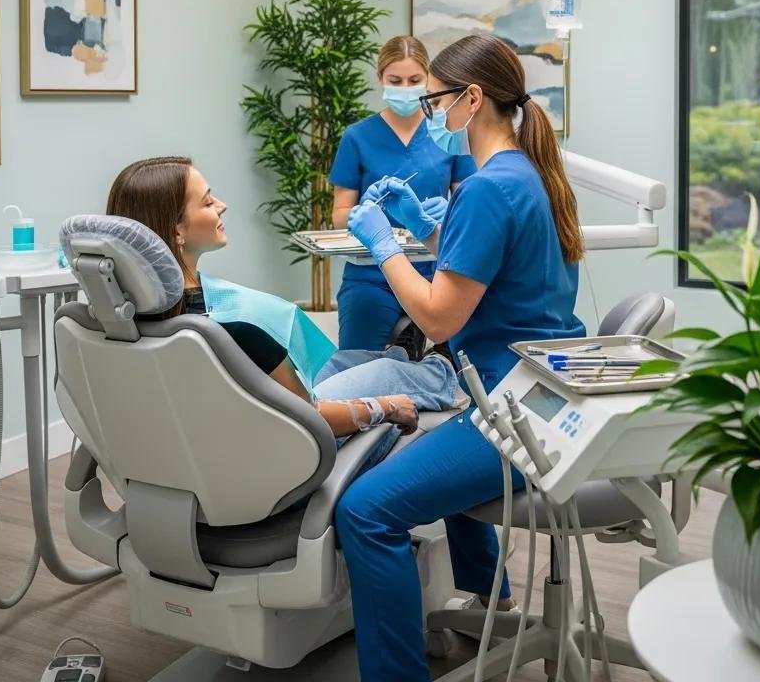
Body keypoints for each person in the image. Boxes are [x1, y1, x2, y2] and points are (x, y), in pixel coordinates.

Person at [338, 34, 586, 682]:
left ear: (472, 98)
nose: (430, 116)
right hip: (538, 394)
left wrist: (380, 243)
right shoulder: (528, 176)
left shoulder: (488, 189)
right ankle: (492, 599)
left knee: (365, 511)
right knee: (428, 457)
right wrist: (424, 230)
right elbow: (489, 277)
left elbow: (439, 316)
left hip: (511, 409)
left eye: (436, 100)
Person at [106, 156, 467, 447]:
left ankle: (405, 357)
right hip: (285, 456)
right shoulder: (231, 333)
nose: (222, 205)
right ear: (176, 230)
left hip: (226, 435)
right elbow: (305, 418)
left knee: (348, 359)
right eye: (207, 201)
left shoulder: (130, 319)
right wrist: (386, 406)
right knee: (390, 376)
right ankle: (444, 369)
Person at [330, 35, 474, 351]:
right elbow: (340, 214)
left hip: (439, 270)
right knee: (355, 365)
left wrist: (446, 212)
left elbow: (469, 206)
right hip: (371, 274)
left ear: (429, 81)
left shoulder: (447, 135)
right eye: (395, 80)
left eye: (414, 80)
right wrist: (362, 215)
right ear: (380, 78)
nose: (405, 88)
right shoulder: (357, 137)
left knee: (449, 369)